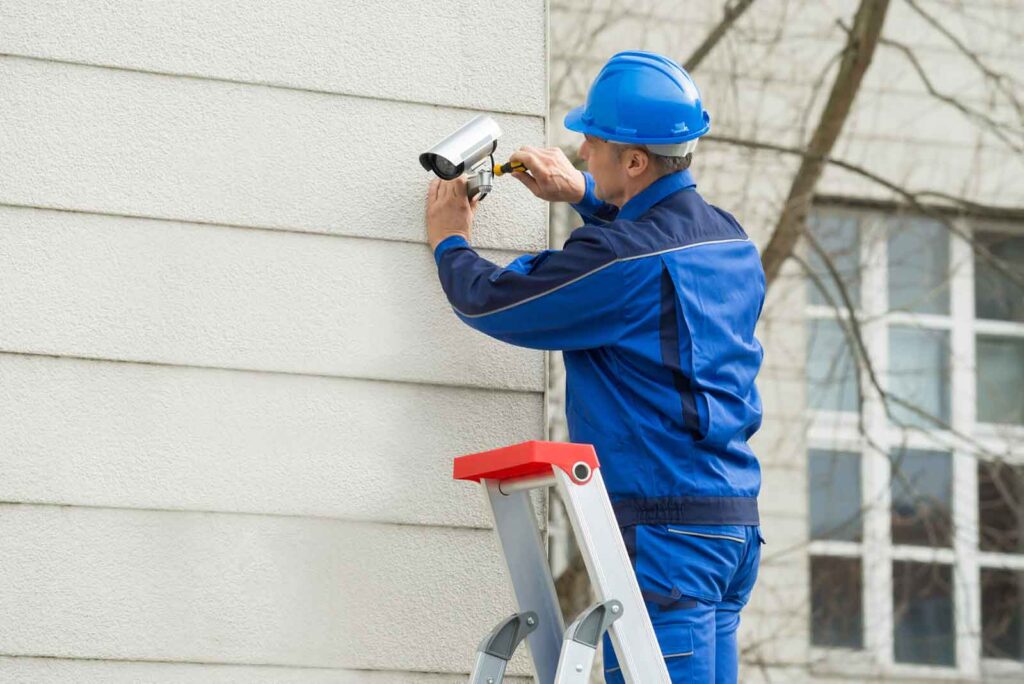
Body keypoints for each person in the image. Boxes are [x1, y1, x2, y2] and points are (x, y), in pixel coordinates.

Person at [425, 50, 765, 684]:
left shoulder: (622, 261)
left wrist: (451, 241)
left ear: (633, 160)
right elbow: (652, 253)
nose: (581, 152)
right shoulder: (729, 240)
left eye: (593, 142)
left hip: (668, 538)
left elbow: (497, 300)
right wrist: (585, 195)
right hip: (729, 529)